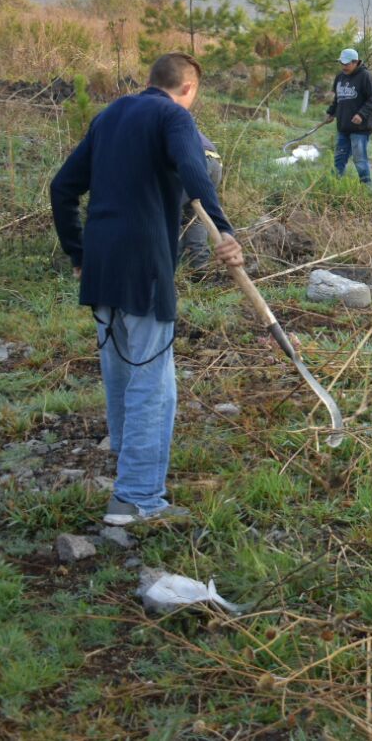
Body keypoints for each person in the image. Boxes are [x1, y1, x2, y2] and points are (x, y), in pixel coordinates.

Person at [50, 53, 244, 526]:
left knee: (120, 371)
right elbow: (195, 173)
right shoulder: (174, 116)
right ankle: (137, 497)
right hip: (144, 266)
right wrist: (223, 230)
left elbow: (62, 187)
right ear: (188, 88)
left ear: (151, 80)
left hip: (101, 265)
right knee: (153, 384)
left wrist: (78, 252)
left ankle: (126, 466)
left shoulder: (109, 115)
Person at [327, 47, 372, 182]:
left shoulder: (365, 76)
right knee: (339, 158)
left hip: (360, 128)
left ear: (356, 62)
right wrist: (331, 112)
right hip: (343, 126)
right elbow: (338, 98)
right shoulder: (340, 77)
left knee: (359, 159)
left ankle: (366, 186)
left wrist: (361, 114)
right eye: (342, 63)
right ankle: (334, 183)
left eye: (347, 64)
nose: (343, 66)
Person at [178, 130, 225, 267]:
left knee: (169, 213)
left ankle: (172, 266)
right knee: (195, 217)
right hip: (215, 163)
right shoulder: (177, 122)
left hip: (194, 161)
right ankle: (199, 267)